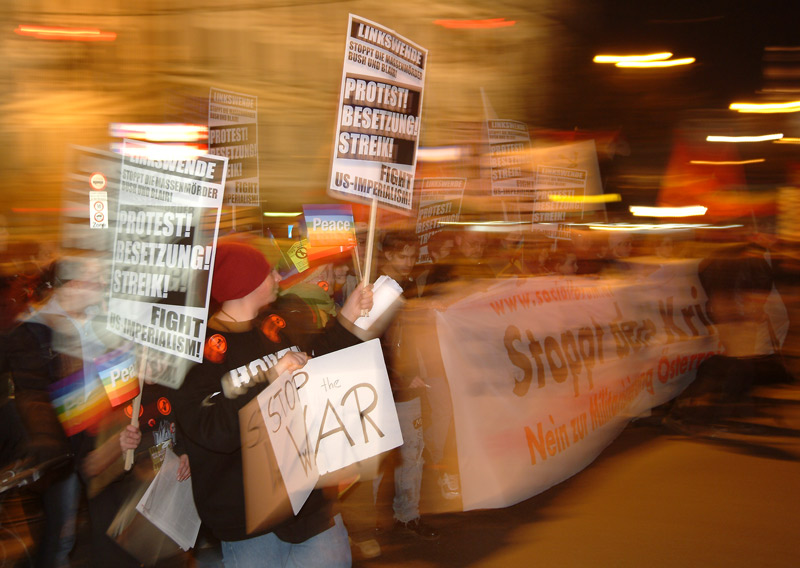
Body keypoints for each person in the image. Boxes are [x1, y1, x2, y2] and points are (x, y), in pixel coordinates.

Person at [173, 240, 373, 568]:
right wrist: (270, 379)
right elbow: (212, 429)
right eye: (268, 274)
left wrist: (348, 315)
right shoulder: (199, 356)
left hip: (310, 503)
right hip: (248, 519)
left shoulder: (277, 325)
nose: (278, 278)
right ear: (244, 285)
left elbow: (316, 359)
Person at [5, 254, 110, 568]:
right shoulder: (33, 330)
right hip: (60, 450)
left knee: (106, 529)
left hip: (99, 440)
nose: (101, 286)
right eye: (94, 281)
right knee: (60, 535)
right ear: (74, 285)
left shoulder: (101, 322)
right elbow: (33, 393)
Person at [372, 232, 438, 540]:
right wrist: (399, 375)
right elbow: (375, 341)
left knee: (412, 451)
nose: (408, 262)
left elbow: (411, 336)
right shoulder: (379, 291)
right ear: (387, 256)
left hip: (407, 383)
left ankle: (408, 515)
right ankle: (371, 523)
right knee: (378, 457)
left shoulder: (408, 288)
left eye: (412, 256)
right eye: (402, 256)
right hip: (385, 388)